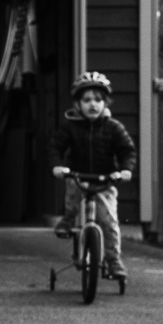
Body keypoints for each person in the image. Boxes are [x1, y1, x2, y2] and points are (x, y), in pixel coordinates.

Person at [49, 71, 137, 280]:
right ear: (78, 104)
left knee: (108, 222)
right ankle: (68, 219)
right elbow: (54, 147)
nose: (93, 105)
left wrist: (125, 170)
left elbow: (127, 150)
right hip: (78, 175)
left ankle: (113, 260)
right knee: (72, 196)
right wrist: (57, 166)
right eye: (87, 100)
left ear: (106, 103)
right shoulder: (70, 126)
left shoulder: (113, 128)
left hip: (105, 179)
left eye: (98, 100)